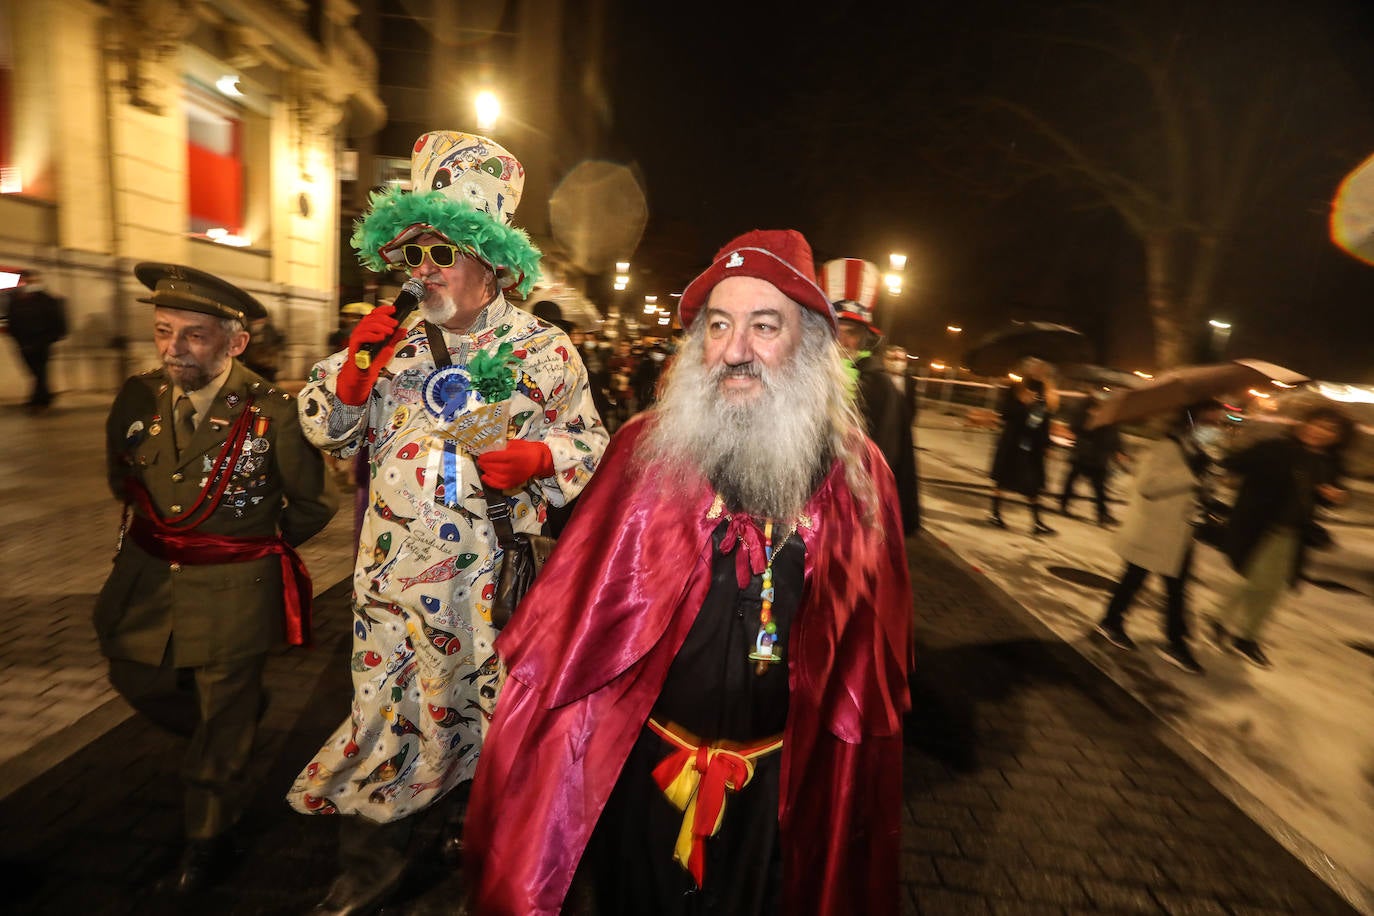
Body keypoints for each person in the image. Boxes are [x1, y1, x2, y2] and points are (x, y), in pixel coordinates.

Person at [464, 229, 913, 915]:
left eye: (765, 326)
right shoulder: (640, 453)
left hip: (780, 798)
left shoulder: (863, 480)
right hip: (639, 782)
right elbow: (572, 640)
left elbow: (865, 675)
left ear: (811, 345)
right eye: (720, 326)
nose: (736, 350)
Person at [287, 129, 608, 914]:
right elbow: (326, 430)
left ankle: (486, 858)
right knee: (384, 713)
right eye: (412, 256)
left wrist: (539, 458)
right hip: (390, 591)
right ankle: (371, 870)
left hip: (490, 588)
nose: (422, 271)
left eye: (441, 253)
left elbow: (593, 445)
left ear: (489, 261)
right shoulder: (387, 340)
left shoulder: (546, 349)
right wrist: (355, 377)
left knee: (491, 722)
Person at [94, 262, 336, 895]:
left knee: (221, 719)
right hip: (146, 581)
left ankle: (208, 834)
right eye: (164, 330)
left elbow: (314, 505)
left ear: (236, 341)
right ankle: (227, 732)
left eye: (194, 335)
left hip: (235, 587)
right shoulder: (138, 397)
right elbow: (123, 477)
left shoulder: (275, 413)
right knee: (133, 673)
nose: (174, 349)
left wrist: (247, 549)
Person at [1206, 405, 1355, 669]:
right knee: (1254, 581)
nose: (1320, 432)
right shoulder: (1276, 449)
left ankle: (1244, 635)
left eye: (1330, 429)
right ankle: (1226, 624)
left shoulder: (1331, 463)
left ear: (1339, 437)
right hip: (1260, 527)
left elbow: (1333, 496)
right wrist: (1234, 471)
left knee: (1274, 589)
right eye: (1317, 424)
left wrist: (1337, 496)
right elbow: (1234, 463)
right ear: (1303, 424)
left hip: (1295, 533)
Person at [1094, 400, 1226, 674]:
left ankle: (1118, 623)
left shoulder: (1198, 450)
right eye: (1210, 422)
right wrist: (1191, 474)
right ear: (1190, 420)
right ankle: (1173, 642)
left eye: (1218, 423)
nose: (1215, 428)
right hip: (1155, 530)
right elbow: (1148, 486)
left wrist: (1209, 489)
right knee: (1145, 581)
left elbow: (1198, 489)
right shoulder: (1166, 446)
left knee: (1158, 584)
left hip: (1179, 532)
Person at [821, 255, 921, 535]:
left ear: (864, 339)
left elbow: (881, 461)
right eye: (835, 330)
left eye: (851, 332)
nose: (842, 340)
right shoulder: (811, 377)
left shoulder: (878, 385)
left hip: (850, 516)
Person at [987, 357, 1060, 535]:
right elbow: (1005, 414)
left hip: (1032, 445)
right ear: (1028, 369)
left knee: (1032, 483)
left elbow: (1045, 420)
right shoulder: (1016, 387)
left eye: (1042, 368)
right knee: (1002, 480)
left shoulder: (1046, 391)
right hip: (1012, 443)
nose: (1039, 371)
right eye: (1036, 367)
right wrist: (1022, 403)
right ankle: (995, 514)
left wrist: (1047, 444)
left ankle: (1037, 523)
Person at [5, 268, 68, 412]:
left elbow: (56, 320)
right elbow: (12, 321)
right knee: (34, 371)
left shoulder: (46, 299)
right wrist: (17, 339)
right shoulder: (15, 301)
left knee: (40, 371)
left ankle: (38, 400)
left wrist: (51, 338)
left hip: (42, 342)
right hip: (24, 343)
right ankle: (44, 397)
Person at [1059, 395, 1126, 526]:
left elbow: (1113, 435)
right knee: (1072, 480)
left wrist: (1119, 450)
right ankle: (1064, 505)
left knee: (1099, 487)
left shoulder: (1110, 415)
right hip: (1083, 454)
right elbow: (1075, 427)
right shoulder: (1084, 410)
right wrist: (1090, 419)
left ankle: (1102, 514)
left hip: (1098, 456)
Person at [239, 313, 286, 381]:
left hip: (268, 363)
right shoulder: (247, 329)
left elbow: (279, 341)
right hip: (252, 362)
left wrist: (274, 352)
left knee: (270, 382)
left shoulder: (270, 329)